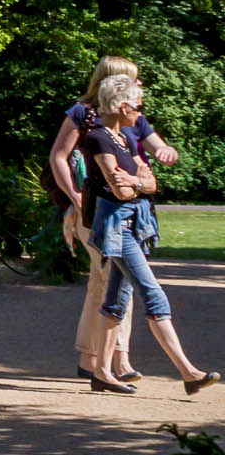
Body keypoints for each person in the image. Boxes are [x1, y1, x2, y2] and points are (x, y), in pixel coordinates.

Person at [81, 70, 217, 397]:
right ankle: (189, 372)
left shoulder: (125, 139)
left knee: (117, 299)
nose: (141, 113)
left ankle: (101, 372)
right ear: (123, 107)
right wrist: (137, 184)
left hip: (134, 224)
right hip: (116, 227)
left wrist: (138, 183)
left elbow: (149, 185)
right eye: (138, 107)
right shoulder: (98, 137)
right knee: (152, 292)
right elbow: (118, 190)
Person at [51, 53, 181, 385]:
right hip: (97, 210)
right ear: (114, 80)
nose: (140, 84)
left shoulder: (133, 118)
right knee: (113, 278)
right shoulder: (84, 114)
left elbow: (157, 150)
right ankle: (111, 361)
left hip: (132, 211)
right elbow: (59, 157)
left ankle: (98, 360)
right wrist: (76, 198)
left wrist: (163, 155)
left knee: (108, 281)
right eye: (134, 78)